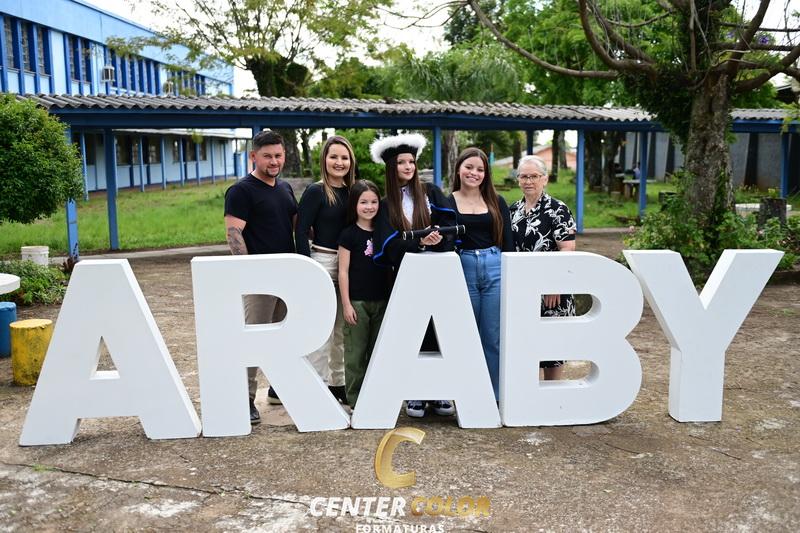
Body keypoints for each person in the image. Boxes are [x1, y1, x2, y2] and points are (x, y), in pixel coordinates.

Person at [370, 132, 456, 419]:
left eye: (411, 162)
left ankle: (440, 389)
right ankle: (415, 392)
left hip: (437, 272)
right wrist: (418, 241)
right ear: (391, 168)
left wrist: (437, 239)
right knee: (411, 333)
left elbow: (449, 225)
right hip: (405, 276)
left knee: (438, 331)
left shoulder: (431, 193)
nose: (408, 167)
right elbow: (387, 245)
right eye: (401, 163)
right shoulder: (386, 205)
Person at [224, 130, 298, 425]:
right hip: (259, 279)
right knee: (253, 339)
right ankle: (244, 398)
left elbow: (297, 225)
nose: (274, 161)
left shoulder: (286, 188)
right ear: (253, 156)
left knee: (283, 335)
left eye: (278, 155)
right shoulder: (241, 191)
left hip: (287, 276)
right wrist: (247, 274)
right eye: (267, 156)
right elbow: (234, 234)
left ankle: (278, 388)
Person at [295, 135, 356, 405]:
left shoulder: (354, 192)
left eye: (344, 157)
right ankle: (315, 386)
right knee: (321, 331)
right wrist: (305, 267)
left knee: (342, 330)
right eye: (334, 157)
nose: (339, 162)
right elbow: (300, 230)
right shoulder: (316, 191)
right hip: (322, 261)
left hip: (349, 265)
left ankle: (338, 384)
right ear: (324, 160)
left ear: (351, 161)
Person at [448, 147, 513, 400]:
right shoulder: (447, 201)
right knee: (466, 334)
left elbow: (508, 241)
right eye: (469, 167)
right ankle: (467, 395)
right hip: (463, 268)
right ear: (458, 169)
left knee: (492, 335)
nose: (474, 173)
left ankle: (493, 395)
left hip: (495, 266)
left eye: (480, 169)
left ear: (486, 174)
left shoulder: (497, 201)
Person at [509, 155, 577, 381]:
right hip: (522, 291)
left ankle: (553, 394)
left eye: (534, 176)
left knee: (552, 349)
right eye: (523, 176)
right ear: (518, 180)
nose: (528, 181)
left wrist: (553, 285)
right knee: (526, 347)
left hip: (551, 292)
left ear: (545, 179)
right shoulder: (513, 210)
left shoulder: (558, 209)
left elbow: (567, 249)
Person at [338, 180, 390, 408]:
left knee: (378, 352)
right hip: (357, 303)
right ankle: (355, 400)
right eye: (363, 202)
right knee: (355, 355)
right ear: (354, 205)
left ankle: (376, 396)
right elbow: (343, 271)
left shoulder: (385, 231)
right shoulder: (348, 234)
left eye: (374, 202)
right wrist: (346, 304)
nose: (369, 207)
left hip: (382, 300)